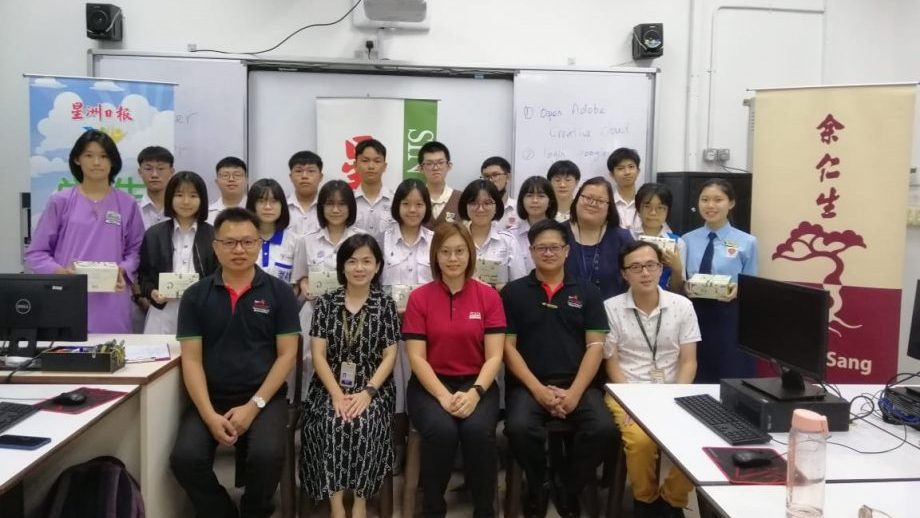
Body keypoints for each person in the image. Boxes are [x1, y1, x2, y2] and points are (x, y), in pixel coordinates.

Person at [170, 207, 300, 518]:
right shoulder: (195, 296)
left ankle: (255, 510)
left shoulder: (280, 293)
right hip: (210, 398)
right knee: (185, 459)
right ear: (215, 247)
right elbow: (191, 361)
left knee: (267, 456)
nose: (239, 250)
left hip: (264, 398)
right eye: (229, 243)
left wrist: (253, 406)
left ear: (258, 244)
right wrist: (208, 415)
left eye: (247, 242)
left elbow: (287, 355)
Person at [502, 219, 616, 518]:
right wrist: (538, 390)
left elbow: (596, 346)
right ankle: (538, 483)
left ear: (567, 251)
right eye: (541, 248)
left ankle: (569, 485)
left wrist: (575, 393)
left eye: (555, 247)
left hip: (579, 384)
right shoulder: (513, 292)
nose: (548, 253)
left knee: (603, 428)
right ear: (531, 252)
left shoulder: (588, 292)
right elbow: (507, 348)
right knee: (518, 428)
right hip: (529, 385)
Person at [402, 222, 505, 518]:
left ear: (470, 254)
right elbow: (416, 358)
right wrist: (443, 396)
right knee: (442, 431)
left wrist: (474, 393)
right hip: (430, 385)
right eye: (445, 252)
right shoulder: (419, 298)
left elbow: (494, 356)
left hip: (478, 382)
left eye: (460, 251)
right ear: (435, 256)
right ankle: (433, 508)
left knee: (477, 431)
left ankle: (484, 509)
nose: (453, 258)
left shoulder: (488, 297)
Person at [301, 234, 399, 518]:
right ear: (342, 266)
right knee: (332, 422)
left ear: (377, 266)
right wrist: (336, 395)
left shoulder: (385, 305)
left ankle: (359, 503)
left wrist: (367, 393)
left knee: (366, 423)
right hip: (328, 385)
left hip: (373, 386)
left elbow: (390, 356)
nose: (359, 268)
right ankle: (336, 506)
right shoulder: (326, 303)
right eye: (352, 261)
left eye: (367, 261)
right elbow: (318, 355)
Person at [603, 241, 700, 518]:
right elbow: (612, 362)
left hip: (674, 390)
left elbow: (688, 361)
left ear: (660, 268)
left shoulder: (682, 306)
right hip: (627, 390)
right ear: (624, 274)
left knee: (696, 439)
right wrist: (630, 403)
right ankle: (645, 501)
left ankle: (672, 500)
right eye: (635, 267)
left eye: (651, 265)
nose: (645, 273)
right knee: (641, 441)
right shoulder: (610, 308)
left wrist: (677, 398)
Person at [25, 129, 145, 334]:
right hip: (68, 294)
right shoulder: (60, 201)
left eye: (104, 156)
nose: (96, 162)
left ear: (113, 162)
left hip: (111, 298)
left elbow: (136, 250)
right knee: (66, 349)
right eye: (89, 155)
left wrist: (123, 270)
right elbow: (36, 253)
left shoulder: (127, 203)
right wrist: (61, 272)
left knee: (111, 351)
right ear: (77, 159)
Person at [380, 178, 434, 474]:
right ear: (397, 206)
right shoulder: (382, 240)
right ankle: (395, 446)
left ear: (427, 207)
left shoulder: (436, 241)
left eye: (419, 204)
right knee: (394, 387)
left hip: (428, 329)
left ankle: (424, 452)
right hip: (389, 326)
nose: (412, 210)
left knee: (423, 385)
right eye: (406, 204)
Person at [682, 179, 757, 383]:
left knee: (730, 371)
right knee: (695, 369)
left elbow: (751, 283)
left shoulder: (747, 242)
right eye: (704, 199)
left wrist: (738, 288)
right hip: (693, 313)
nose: (710, 205)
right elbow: (681, 278)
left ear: (731, 203)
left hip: (728, 314)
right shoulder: (687, 239)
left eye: (718, 200)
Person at [138, 171, 218, 334]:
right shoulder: (154, 234)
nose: (186, 201)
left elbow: (219, 274)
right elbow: (144, 276)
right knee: (160, 351)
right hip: (162, 312)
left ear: (202, 199)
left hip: (202, 311)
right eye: (179, 195)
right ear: (170, 198)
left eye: (193, 196)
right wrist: (152, 292)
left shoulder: (214, 235)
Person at [564, 177, 635, 300]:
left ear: (609, 207)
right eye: (587, 198)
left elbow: (633, 278)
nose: (592, 204)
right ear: (576, 199)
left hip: (611, 309)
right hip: (564, 308)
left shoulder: (622, 238)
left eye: (600, 201)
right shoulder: (558, 233)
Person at [458, 179, 527, 289]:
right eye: (474, 203)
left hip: (499, 298)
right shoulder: (455, 239)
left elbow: (520, 286)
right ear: (465, 206)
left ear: (496, 207)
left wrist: (498, 288)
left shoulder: (508, 241)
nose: (480, 209)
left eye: (487, 203)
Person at [246, 178, 302, 285]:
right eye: (261, 201)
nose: (268, 207)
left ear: (282, 205)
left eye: (274, 201)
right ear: (252, 205)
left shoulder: (295, 241)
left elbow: (296, 285)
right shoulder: (242, 240)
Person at [632, 183, 687, 292]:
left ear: (668, 211)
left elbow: (677, 290)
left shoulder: (677, 243)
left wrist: (677, 269)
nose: (653, 213)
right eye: (647, 206)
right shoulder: (627, 237)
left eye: (660, 208)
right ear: (638, 209)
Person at [513, 176, 558, 273]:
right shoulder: (512, 235)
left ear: (550, 202)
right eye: (529, 195)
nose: (535, 200)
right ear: (522, 201)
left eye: (541, 196)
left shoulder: (560, 232)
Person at [353, 139, 394, 242]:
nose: (371, 166)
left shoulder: (395, 200)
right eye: (365, 161)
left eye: (377, 161)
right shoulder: (348, 201)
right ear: (355, 165)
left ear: (384, 167)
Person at [419, 141, 462, 229]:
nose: (435, 168)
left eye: (440, 162)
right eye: (429, 163)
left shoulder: (461, 199)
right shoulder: (414, 198)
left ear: (449, 166)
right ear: (421, 168)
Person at [137, 145, 176, 230]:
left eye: (161, 168)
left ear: (171, 171)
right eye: (148, 169)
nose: (154, 175)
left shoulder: (181, 207)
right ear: (140, 172)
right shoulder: (132, 209)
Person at [286, 150, 323, 236]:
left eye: (311, 171)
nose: (304, 176)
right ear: (290, 177)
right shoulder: (281, 206)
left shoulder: (328, 207)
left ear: (320, 177)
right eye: (299, 171)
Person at [207, 156, 249, 224]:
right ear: (217, 182)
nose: (231, 179)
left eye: (237, 175)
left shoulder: (257, 210)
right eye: (225, 175)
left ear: (246, 181)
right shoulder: (207, 214)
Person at [607, 147, 641, 230]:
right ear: (612, 174)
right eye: (620, 168)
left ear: (638, 171)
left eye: (631, 167)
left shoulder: (646, 203)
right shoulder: (606, 203)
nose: (627, 172)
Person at [480, 156, 518, 230]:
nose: (490, 180)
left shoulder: (519, 209)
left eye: (495, 175)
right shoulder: (477, 209)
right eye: (486, 176)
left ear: (508, 177)